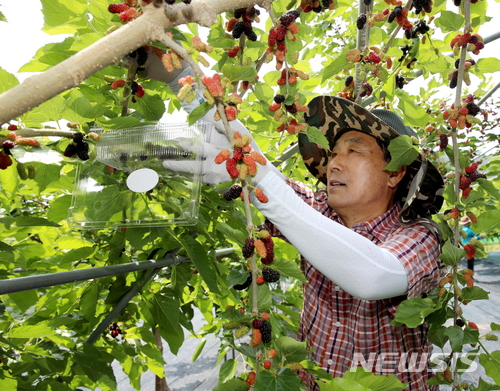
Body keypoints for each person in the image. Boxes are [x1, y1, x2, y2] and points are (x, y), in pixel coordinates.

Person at [141, 58, 445, 390]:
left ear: (395, 173)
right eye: (332, 154)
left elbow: (373, 276)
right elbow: (242, 148)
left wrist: (262, 181)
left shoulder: (419, 234)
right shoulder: (319, 211)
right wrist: (182, 81)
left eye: (354, 151)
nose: (334, 164)